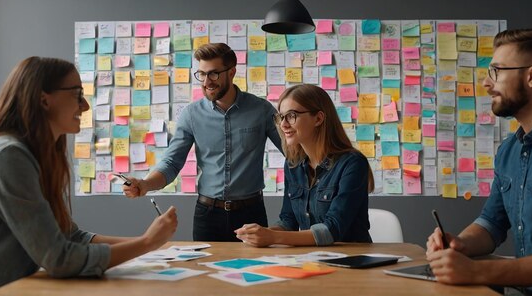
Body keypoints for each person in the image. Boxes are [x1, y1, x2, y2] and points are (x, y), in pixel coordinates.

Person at [0, 57, 178, 295]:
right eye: (77, 94)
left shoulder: (32, 153)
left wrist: (149, 243)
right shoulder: (8, 156)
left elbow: (69, 234)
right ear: (44, 99)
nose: (84, 106)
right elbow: (58, 258)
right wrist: (146, 243)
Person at [426, 29, 532, 295]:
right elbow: (492, 223)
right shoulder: (509, 150)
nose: (486, 83)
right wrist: (459, 244)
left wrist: (474, 271)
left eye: (497, 71)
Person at [123, 43, 283, 241]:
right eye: (202, 74)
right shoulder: (191, 114)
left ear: (232, 72)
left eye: (214, 74)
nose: (207, 81)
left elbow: (293, 153)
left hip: (251, 214)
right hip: (208, 215)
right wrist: (146, 183)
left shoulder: (261, 110)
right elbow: (172, 163)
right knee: (202, 270)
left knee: (255, 270)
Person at [235, 84, 374, 247]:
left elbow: (332, 230)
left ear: (318, 118)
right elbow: (289, 221)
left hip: (352, 259)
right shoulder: (293, 164)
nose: (283, 125)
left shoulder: (352, 164)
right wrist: (259, 233)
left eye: (292, 115)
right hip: (312, 259)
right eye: (281, 117)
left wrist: (272, 237)